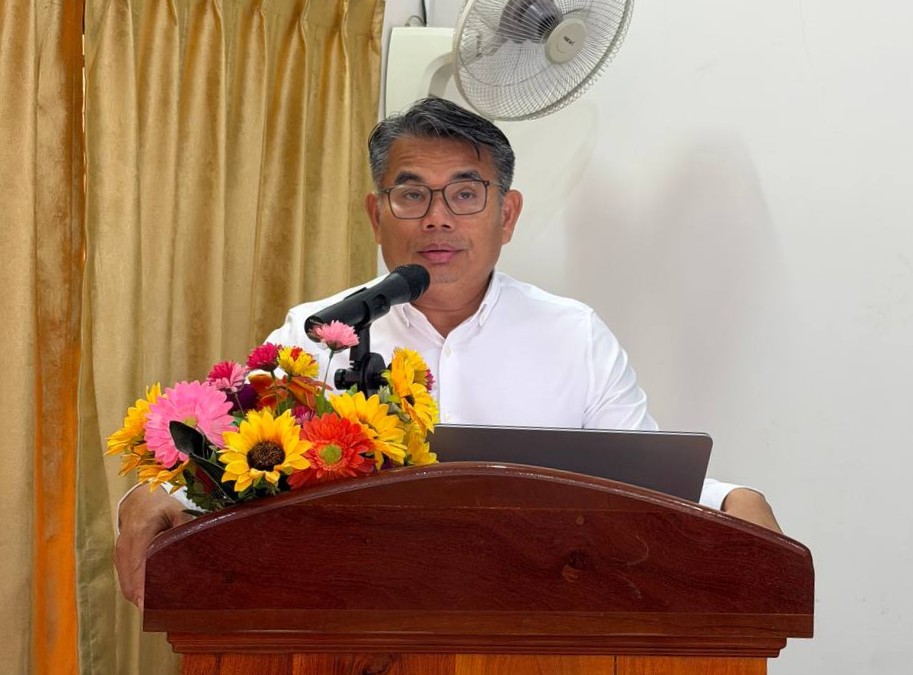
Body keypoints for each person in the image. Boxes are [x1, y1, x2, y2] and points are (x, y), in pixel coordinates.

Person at [115, 97, 780, 609]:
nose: (437, 218)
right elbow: (233, 465)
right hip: (352, 624)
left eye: (465, 194)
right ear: (376, 216)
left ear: (506, 215)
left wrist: (730, 499)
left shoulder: (572, 334)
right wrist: (151, 497)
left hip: (538, 621)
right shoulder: (317, 332)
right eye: (411, 194)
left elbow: (642, 481)